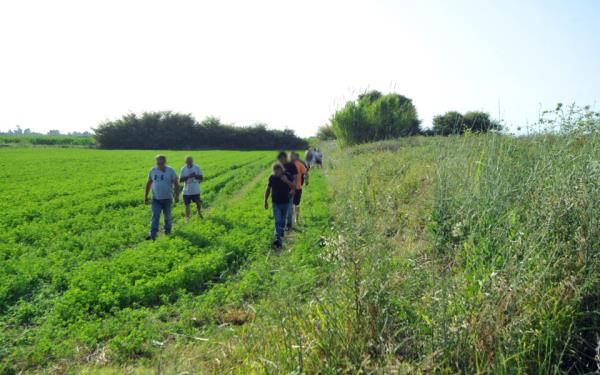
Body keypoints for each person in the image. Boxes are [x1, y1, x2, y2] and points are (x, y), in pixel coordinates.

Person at [144, 154, 180, 240]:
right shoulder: (153, 170)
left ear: (164, 162)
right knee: (155, 216)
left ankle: (167, 232)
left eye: (161, 162)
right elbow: (149, 183)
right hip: (155, 198)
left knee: (167, 216)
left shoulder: (171, 170)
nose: (159, 163)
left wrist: (177, 195)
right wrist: (145, 196)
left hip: (167, 198)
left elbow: (176, 184)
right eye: (158, 162)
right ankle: (153, 234)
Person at [264, 163, 295, 248]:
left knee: (282, 221)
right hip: (275, 203)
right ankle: (279, 238)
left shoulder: (287, 175)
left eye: (278, 170)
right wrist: (265, 201)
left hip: (286, 202)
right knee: (277, 220)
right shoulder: (272, 178)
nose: (277, 172)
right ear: (273, 171)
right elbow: (268, 189)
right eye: (275, 171)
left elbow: (293, 187)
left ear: (282, 170)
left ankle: (280, 236)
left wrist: (286, 181)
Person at [277, 151, 297, 231]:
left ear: (284, 158)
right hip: (280, 192)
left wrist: (293, 189)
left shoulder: (291, 165)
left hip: (289, 190)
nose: (279, 161)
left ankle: (289, 224)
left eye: (280, 159)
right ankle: (282, 225)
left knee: (289, 208)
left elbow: (295, 178)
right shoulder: (278, 166)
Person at [291, 152, 308, 224]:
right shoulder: (287, 164)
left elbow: (306, 172)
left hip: (297, 187)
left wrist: (306, 180)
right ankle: (290, 219)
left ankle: (296, 219)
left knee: (296, 204)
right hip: (288, 188)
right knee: (290, 204)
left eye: (293, 156)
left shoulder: (299, 164)